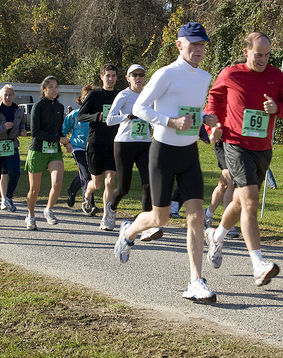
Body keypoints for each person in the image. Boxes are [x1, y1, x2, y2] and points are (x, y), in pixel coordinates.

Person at [113, 22, 219, 302]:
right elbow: (139, 108)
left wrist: (202, 121)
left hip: (189, 154)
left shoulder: (204, 76)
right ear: (179, 45)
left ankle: (196, 281)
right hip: (163, 152)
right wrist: (170, 121)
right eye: (193, 44)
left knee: (196, 217)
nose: (198, 50)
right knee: (160, 218)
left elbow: (190, 113)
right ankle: (130, 232)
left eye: (202, 45)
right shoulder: (166, 74)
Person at [204, 32, 283, 286]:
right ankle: (258, 265)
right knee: (251, 201)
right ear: (246, 52)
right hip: (235, 144)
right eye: (258, 55)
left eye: (267, 55)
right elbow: (214, 100)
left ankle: (217, 235)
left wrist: (278, 108)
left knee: (243, 203)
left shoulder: (276, 76)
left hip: (262, 148)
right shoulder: (231, 74)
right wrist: (213, 128)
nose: (263, 59)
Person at [106, 64, 163, 241]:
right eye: (134, 75)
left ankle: (147, 227)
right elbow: (109, 119)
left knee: (148, 184)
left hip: (144, 144)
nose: (138, 78)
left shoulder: (149, 95)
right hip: (124, 143)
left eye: (141, 75)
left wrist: (160, 132)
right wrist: (127, 116)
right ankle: (111, 208)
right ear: (128, 78)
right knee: (124, 187)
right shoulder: (123, 95)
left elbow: (153, 118)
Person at [24, 76, 72, 230]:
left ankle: (48, 209)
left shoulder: (59, 107)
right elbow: (36, 132)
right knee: (34, 189)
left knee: (57, 183)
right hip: (38, 150)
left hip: (54, 151)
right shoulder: (38, 106)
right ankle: (30, 215)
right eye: (50, 87)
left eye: (56, 86)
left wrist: (66, 142)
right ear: (44, 89)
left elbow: (59, 130)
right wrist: (59, 138)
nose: (54, 90)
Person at [77, 64, 120, 228]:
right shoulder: (94, 95)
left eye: (113, 75)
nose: (111, 79)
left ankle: (107, 217)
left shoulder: (120, 95)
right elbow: (81, 115)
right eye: (108, 75)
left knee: (110, 181)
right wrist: (97, 116)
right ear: (102, 77)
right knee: (97, 183)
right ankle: (87, 195)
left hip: (113, 143)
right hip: (95, 143)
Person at [0, 84, 27, 214]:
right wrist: (3, 127)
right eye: (5, 95)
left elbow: (22, 122)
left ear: (13, 96)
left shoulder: (18, 111)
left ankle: (8, 198)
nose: (8, 97)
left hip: (11, 145)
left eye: (10, 95)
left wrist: (23, 130)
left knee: (15, 172)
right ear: (0, 96)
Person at [62, 85, 95, 208]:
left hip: (92, 148)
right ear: (81, 99)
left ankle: (71, 190)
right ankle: (89, 204)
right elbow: (64, 129)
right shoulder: (75, 114)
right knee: (86, 176)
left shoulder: (97, 115)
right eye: (86, 97)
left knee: (89, 175)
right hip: (77, 147)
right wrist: (66, 142)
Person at [203, 123, 238, 237]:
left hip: (237, 143)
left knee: (223, 185)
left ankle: (207, 214)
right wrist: (211, 130)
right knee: (230, 181)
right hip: (222, 141)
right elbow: (209, 113)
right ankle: (228, 223)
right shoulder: (220, 103)